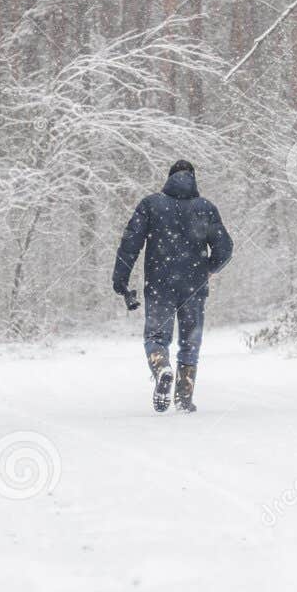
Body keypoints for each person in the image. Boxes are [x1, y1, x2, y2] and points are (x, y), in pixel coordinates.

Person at [112, 160, 234, 413]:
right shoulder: (206, 208)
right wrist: (207, 269)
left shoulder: (150, 205)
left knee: (156, 336)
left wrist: (120, 279)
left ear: (168, 179)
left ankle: (161, 368)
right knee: (190, 342)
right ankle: (183, 399)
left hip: (159, 284)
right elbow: (225, 248)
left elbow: (130, 244)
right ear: (193, 179)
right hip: (194, 285)